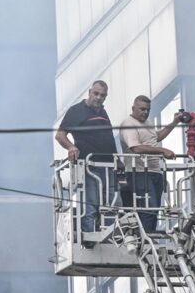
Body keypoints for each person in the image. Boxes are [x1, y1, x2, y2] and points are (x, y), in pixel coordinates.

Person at [55, 80, 118, 248]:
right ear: (89, 92)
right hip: (90, 166)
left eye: (102, 95)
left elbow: (109, 139)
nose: (98, 98)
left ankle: (109, 238)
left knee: (110, 204)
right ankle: (90, 240)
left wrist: (118, 160)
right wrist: (71, 147)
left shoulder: (103, 112)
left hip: (108, 166)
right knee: (90, 203)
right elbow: (60, 135)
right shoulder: (76, 111)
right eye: (96, 93)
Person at [119, 95, 181, 232]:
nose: (145, 112)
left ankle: (150, 235)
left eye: (148, 110)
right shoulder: (128, 124)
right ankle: (145, 239)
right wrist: (162, 150)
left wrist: (174, 123)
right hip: (139, 172)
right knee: (149, 207)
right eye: (142, 109)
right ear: (133, 108)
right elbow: (136, 148)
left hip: (155, 171)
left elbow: (156, 137)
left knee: (155, 208)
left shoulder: (147, 122)